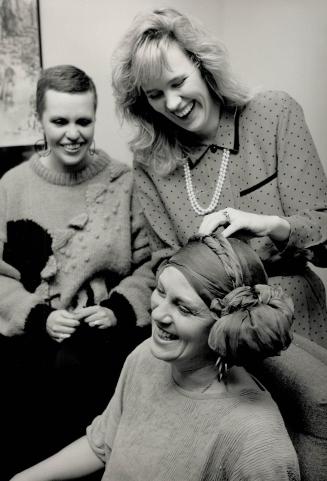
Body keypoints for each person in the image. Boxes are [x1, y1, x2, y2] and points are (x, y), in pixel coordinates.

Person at [111, 7, 327, 348]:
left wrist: (269, 225)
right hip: (206, 329)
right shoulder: (149, 161)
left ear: (202, 64)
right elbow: (164, 263)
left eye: (178, 82)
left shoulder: (274, 114)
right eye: (155, 95)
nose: (173, 103)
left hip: (291, 318)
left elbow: (324, 236)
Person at [9, 233, 300, 481]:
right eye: (161, 292)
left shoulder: (256, 439)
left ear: (225, 327)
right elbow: (103, 443)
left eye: (183, 309)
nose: (158, 314)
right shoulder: (147, 357)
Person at [0, 64, 153, 479]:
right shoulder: (11, 186)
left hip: (104, 346)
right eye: (60, 121)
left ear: (95, 118)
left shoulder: (125, 181)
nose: (73, 133)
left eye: (83, 121)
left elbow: (152, 263)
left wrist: (119, 308)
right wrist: (40, 318)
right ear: (40, 121)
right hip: (31, 346)